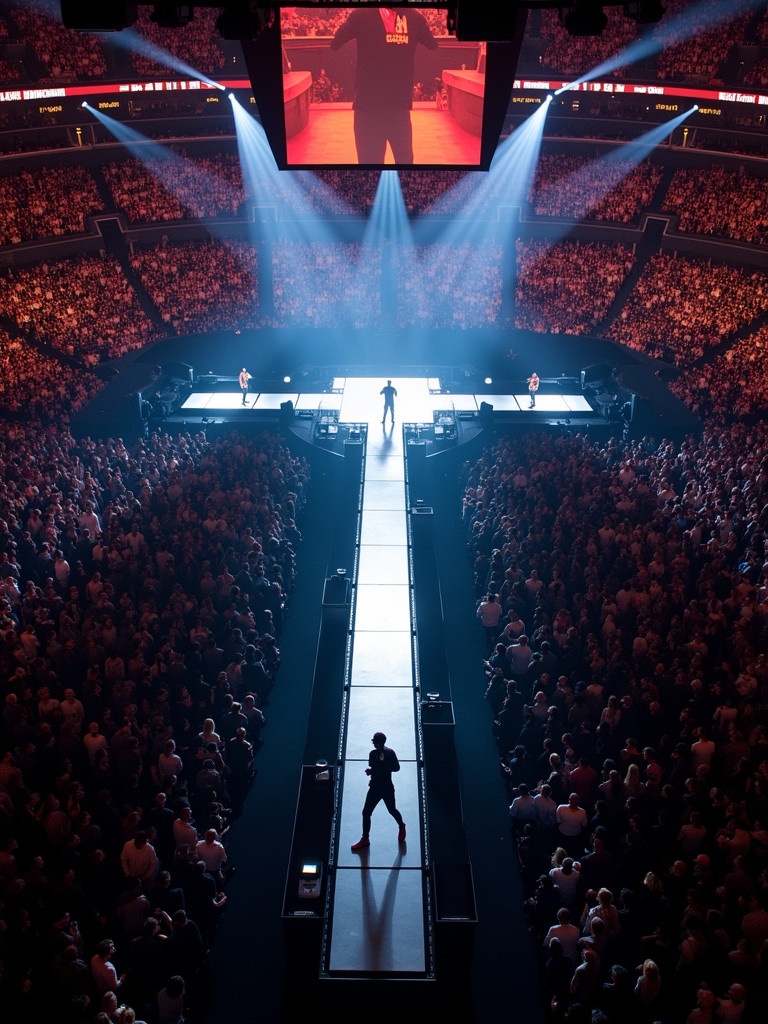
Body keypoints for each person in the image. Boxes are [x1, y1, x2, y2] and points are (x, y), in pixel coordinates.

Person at [330, 9, 438, 164]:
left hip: (367, 109)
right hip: (399, 109)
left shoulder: (360, 15)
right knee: (405, 168)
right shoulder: (415, 17)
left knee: (369, 170)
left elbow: (335, 43)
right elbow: (432, 44)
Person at [351, 731, 406, 850]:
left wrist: (379, 768)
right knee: (366, 812)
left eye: (378, 743)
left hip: (386, 787)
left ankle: (402, 826)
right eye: (375, 743)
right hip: (375, 786)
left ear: (382, 742)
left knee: (392, 810)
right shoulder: (373, 754)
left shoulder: (390, 753)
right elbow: (375, 768)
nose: (376, 745)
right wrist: (372, 771)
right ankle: (365, 838)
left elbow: (396, 768)